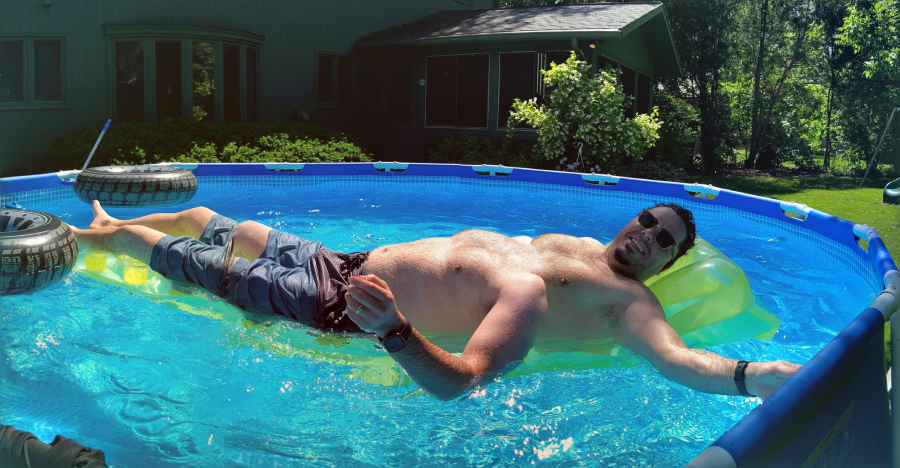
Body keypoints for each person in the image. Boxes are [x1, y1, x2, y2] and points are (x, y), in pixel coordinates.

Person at [70, 201, 800, 400]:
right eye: (648, 220)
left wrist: (749, 376)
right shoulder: (574, 246)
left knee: (174, 256)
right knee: (209, 222)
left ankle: (93, 237)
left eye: (664, 240)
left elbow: (675, 361)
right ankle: (110, 222)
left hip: (339, 307)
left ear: (669, 263)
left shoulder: (629, 306)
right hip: (345, 261)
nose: (647, 236)